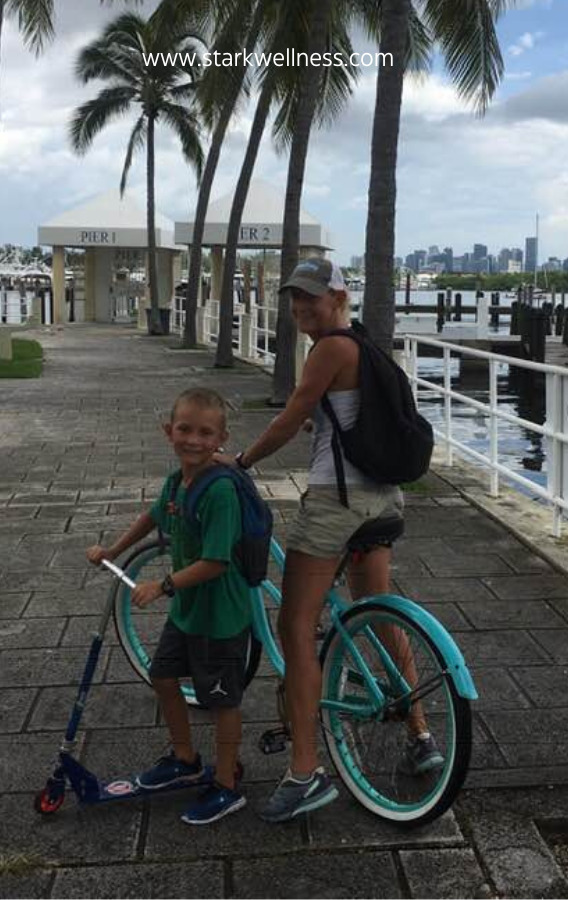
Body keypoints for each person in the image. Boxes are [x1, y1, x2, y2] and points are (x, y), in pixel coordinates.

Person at [223, 258, 443, 823]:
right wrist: (315, 423)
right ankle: (421, 737)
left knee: (294, 624)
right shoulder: (365, 347)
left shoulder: (328, 350)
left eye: (313, 300)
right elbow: (335, 414)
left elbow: (290, 410)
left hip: (335, 504)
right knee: (379, 613)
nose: (301, 310)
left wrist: (243, 460)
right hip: (382, 500)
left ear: (339, 297)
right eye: (295, 300)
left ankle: (305, 771)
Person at [86, 388, 252, 825]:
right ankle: (185, 757)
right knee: (162, 675)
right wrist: (114, 549)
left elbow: (217, 561)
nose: (193, 440)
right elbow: (155, 516)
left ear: (221, 439)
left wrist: (161, 585)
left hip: (220, 617)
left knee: (222, 702)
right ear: (168, 431)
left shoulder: (220, 493)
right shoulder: (177, 482)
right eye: (185, 430)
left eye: (205, 433)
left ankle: (227, 783)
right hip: (188, 612)